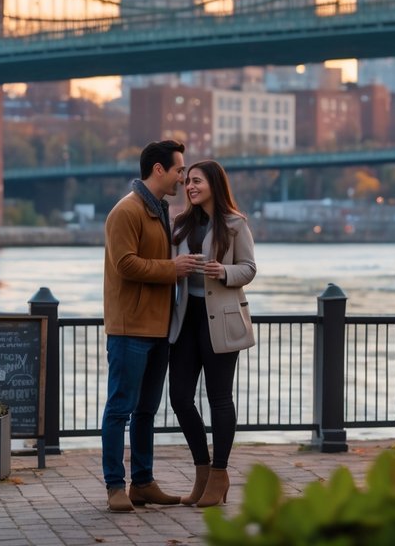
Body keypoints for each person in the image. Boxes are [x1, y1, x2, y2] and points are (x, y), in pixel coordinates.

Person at [101, 140, 196, 514]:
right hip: (130, 328)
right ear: (159, 170)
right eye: (178, 170)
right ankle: (114, 485)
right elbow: (126, 264)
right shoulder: (126, 211)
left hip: (158, 329)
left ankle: (142, 482)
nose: (182, 177)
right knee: (119, 409)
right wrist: (174, 269)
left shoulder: (161, 209)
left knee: (145, 411)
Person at [167, 160, 257, 508]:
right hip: (185, 319)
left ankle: (219, 474)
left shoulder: (235, 224)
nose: (189, 187)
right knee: (179, 398)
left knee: (220, 398)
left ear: (214, 184)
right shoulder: (180, 223)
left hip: (220, 318)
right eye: (187, 181)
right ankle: (202, 470)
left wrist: (223, 271)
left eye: (197, 181)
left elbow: (249, 268)